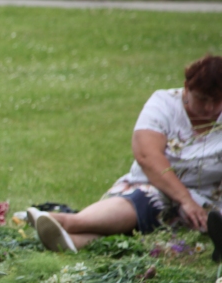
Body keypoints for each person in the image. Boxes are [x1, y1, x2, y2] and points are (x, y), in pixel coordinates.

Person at [30, 54, 222, 262]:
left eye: (217, 101)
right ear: (186, 88)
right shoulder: (164, 104)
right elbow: (147, 155)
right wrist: (185, 199)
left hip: (209, 198)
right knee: (147, 199)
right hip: (156, 185)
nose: (209, 108)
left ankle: (75, 240)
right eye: (202, 99)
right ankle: (68, 223)